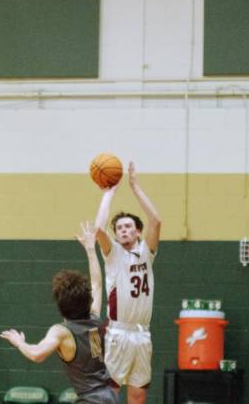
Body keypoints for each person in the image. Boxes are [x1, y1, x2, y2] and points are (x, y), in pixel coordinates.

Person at [0, 222, 119, 404]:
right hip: (110, 396)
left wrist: (20, 343)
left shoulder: (62, 331)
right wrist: (89, 249)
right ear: (87, 300)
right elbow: (96, 283)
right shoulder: (94, 317)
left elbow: (37, 354)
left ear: (60, 304)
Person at [94, 161, 161, 404]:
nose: (122, 230)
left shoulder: (146, 252)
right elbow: (99, 229)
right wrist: (108, 195)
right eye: (119, 227)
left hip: (143, 334)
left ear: (137, 232)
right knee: (110, 392)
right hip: (118, 332)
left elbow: (156, 221)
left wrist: (135, 187)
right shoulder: (113, 254)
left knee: (138, 393)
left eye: (128, 227)